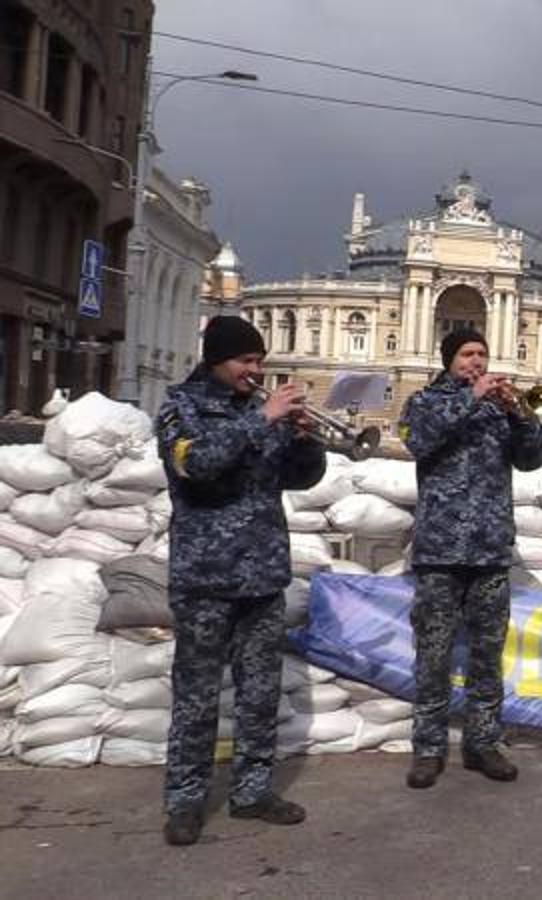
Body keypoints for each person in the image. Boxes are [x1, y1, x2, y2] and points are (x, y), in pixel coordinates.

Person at [158, 316, 326, 846]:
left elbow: (300, 479)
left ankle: (253, 791)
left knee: (259, 693)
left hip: (261, 574)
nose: (255, 372)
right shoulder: (179, 407)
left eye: (260, 362)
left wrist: (303, 441)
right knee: (197, 696)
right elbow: (198, 464)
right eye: (246, 362)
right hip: (205, 576)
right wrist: (264, 420)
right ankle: (185, 800)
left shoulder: (261, 411)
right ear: (216, 359)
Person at [400, 329, 542, 790]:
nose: (477, 362)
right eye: (467, 354)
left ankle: (484, 742)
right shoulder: (424, 401)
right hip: (440, 550)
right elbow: (419, 442)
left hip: (488, 549)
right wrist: (470, 400)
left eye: (482, 354)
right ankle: (428, 748)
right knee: (434, 653)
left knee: (487, 655)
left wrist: (519, 416)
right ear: (449, 360)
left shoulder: (497, 407)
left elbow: (534, 459)